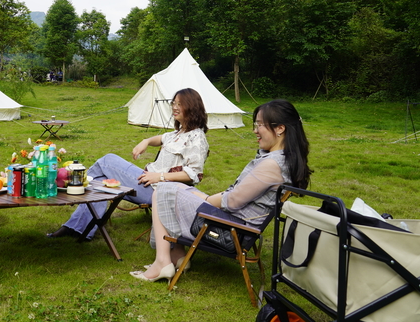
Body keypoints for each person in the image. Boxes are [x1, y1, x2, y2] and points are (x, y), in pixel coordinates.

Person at [131, 99, 311, 282]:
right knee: (171, 188)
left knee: (162, 190)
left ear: (280, 128)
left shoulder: (272, 165)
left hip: (231, 228)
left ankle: (163, 262)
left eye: (259, 125)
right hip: (234, 219)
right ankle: (175, 256)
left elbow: (232, 201)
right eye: (255, 124)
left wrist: (205, 199)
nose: (255, 131)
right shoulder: (279, 159)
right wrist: (201, 196)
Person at [47, 88, 209, 240]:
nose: (174, 107)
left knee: (108, 161)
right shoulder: (178, 133)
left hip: (158, 190)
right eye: (173, 103)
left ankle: (74, 191)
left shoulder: (197, 138)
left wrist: (159, 176)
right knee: (99, 181)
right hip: (148, 181)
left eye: (179, 104)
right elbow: (159, 139)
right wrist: (145, 141)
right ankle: (78, 228)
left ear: (191, 107)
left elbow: (193, 175)